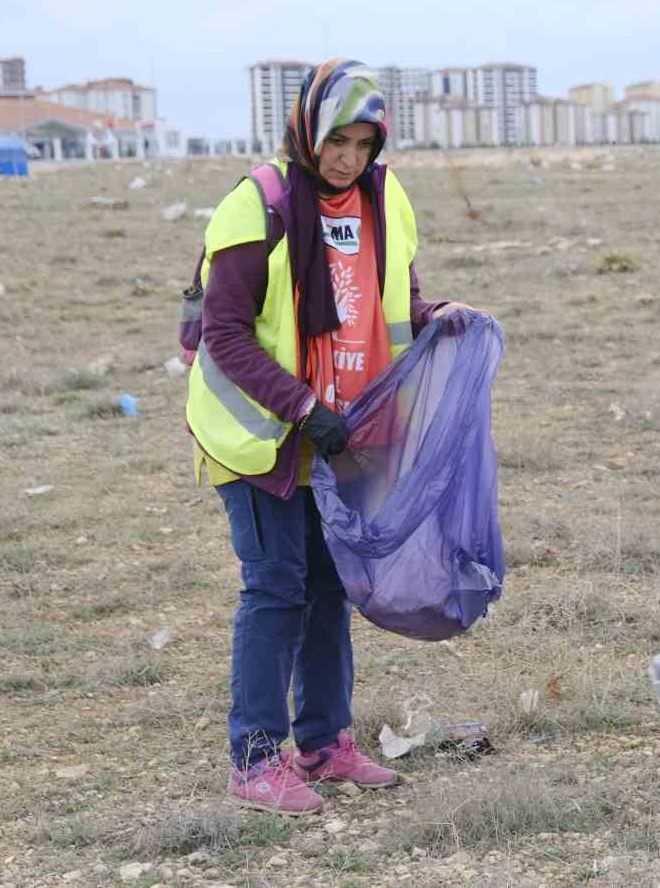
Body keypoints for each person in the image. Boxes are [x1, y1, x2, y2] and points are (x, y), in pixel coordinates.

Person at [185, 58, 478, 815]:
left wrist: (438, 318)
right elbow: (225, 331)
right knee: (276, 589)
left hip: (340, 435)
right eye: (335, 139)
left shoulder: (385, 199)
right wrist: (299, 404)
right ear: (307, 130)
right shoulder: (260, 205)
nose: (346, 157)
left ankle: (324, 744)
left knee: (328, 589)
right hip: (258, 437)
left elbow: (393, 301)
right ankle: (254, 759)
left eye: (362, 142)